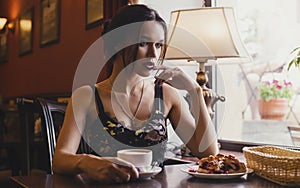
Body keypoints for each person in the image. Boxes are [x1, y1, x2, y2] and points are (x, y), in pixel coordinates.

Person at [52, 4, 219, 184]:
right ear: (117, 42)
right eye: (143, 43)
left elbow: (208, 152)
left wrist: (194, 91)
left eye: (158, 45)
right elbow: (60, 160)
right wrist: (85, 162)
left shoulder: (166, 95)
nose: (153, 54)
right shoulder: (86, 96)